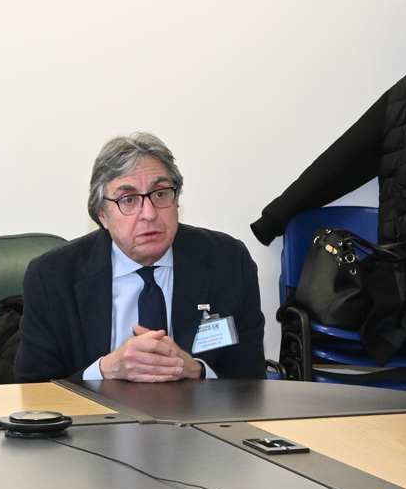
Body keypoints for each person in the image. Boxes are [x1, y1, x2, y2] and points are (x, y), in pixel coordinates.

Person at [16, 133, 266, 383]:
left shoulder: (228, 262)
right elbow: (33, 391)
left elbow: (250, 383)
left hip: (198, 408)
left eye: (160, 194)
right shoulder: (52, 276)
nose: (149, 213)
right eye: (128, 199)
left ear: (176, 200)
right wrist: (104, 371)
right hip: (95, 409)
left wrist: (196, 372)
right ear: (102, 214)